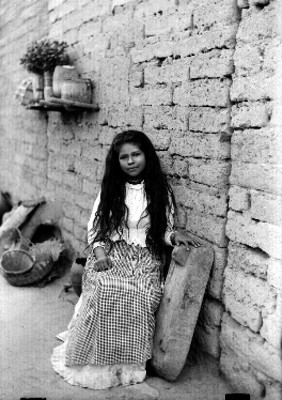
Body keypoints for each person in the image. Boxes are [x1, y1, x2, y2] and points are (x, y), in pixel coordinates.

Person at [51, 130, 201, 390]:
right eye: (124, 157)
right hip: (110, 252)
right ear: (116, 161)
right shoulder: (111, 187)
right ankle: (95, 360)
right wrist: (99, 254)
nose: (131, 161)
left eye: (136, 155)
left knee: (142, 293)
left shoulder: (159, 189)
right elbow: (95, 227)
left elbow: (163, 230)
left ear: (147, 156)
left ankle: (127, 364)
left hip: (146, 255)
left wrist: (175, 235)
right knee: (105, 286)